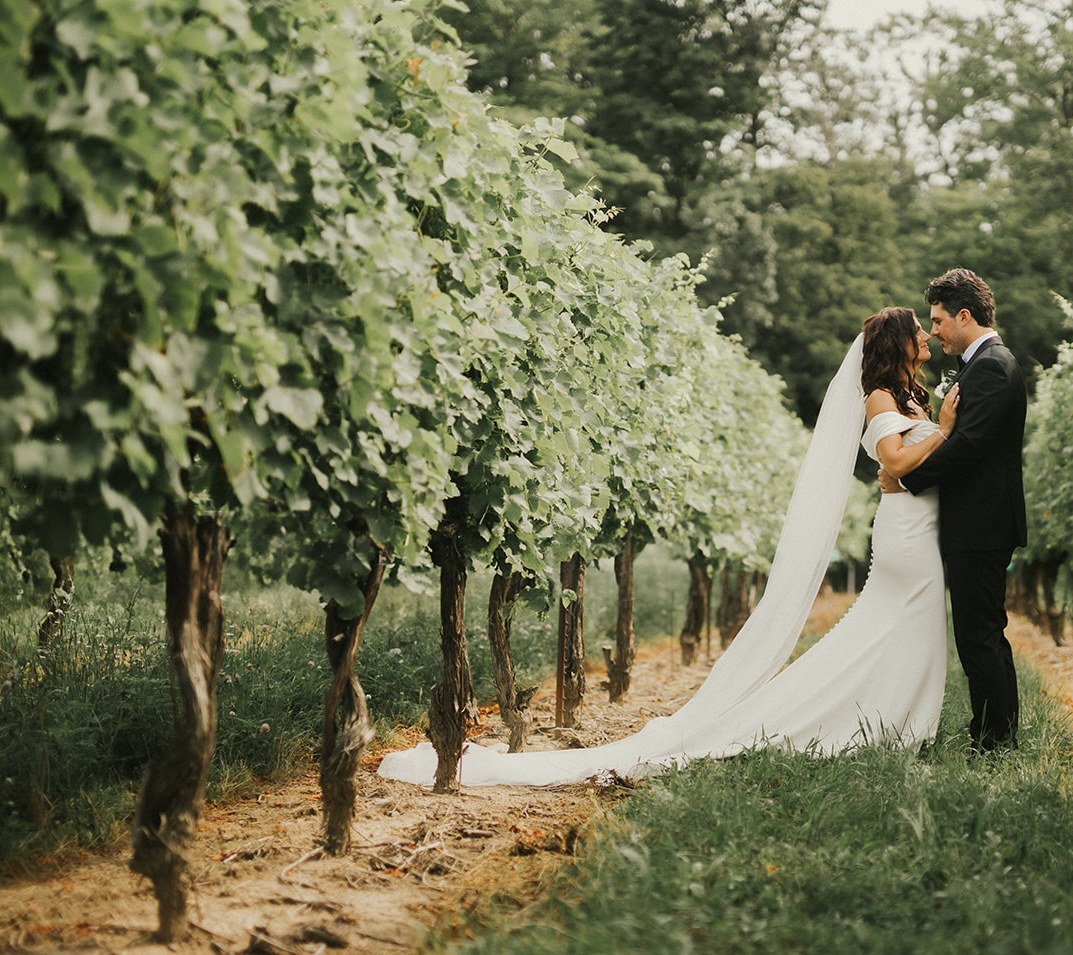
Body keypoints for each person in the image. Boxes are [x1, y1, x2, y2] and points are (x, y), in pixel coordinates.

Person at [376, 307, 954, 787]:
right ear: (897, 343)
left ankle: (893, 717)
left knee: (895, 629)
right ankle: (867, 720)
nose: (927, 336)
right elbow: (895, 463)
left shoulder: (907, 400)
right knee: (893, 624)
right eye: (919, 329)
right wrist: (946, 435)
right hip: (905, 538)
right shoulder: (879, 396)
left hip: (916, 530)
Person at [881, 268, 1026, 754]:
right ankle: (997, 735)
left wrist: (907, 477)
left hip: (981, 524)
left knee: (979, 636)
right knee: (983, 633)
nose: (934, 330)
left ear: (965, 316)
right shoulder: (985, 363)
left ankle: (994, 742)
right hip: (979, 522)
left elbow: (969, 445)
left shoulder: (991, 365)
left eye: (939, 320)